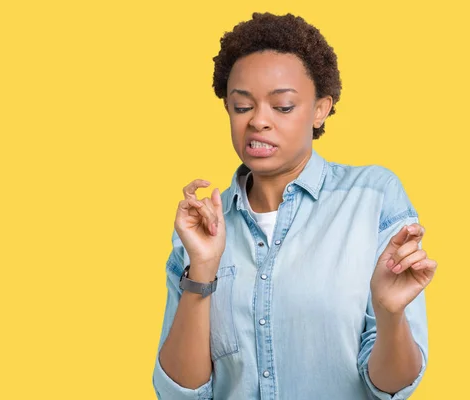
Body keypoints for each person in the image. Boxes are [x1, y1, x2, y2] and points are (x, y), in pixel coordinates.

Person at [151, 12, 438, 400]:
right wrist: (201, 270)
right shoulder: (201, 228)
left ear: (320, 109)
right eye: (241, 107)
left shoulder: (373, 198)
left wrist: (390, 315)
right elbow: (180, 393)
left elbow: (391, 388)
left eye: (282, 107)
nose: (258, 122)